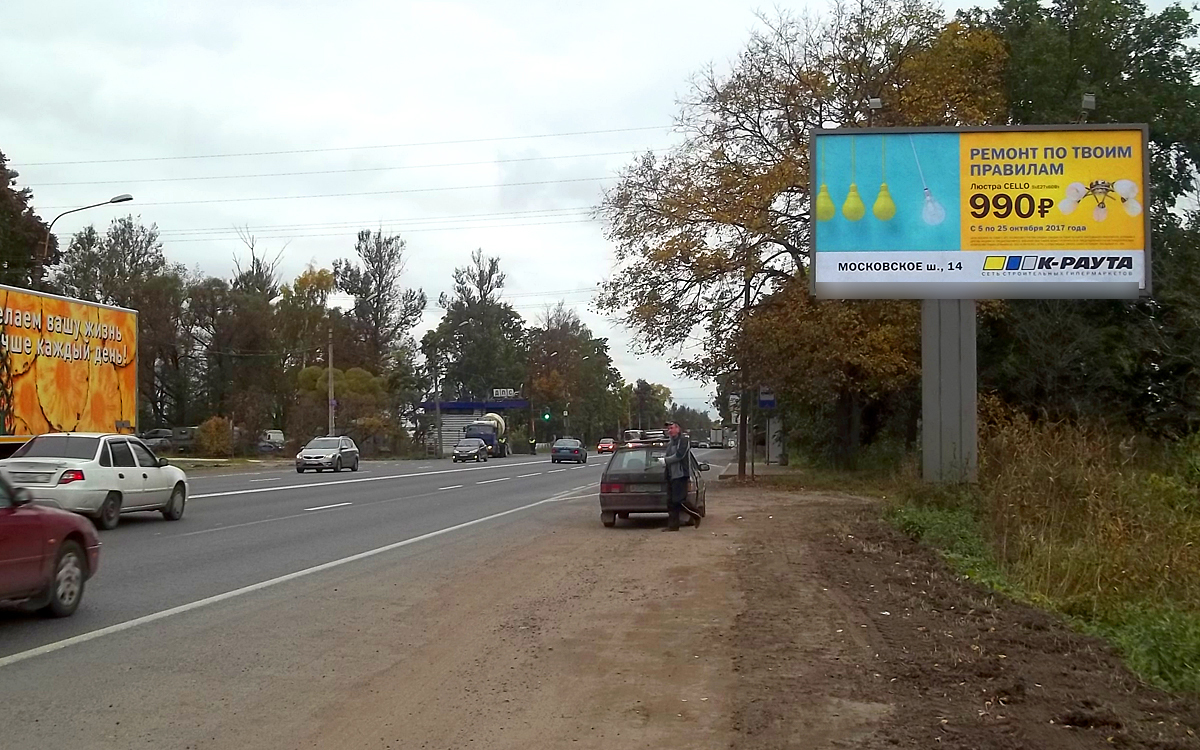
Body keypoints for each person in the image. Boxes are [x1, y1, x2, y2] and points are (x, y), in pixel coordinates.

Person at [662, 421, 701, 532]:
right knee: (671, 502)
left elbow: (679, 455)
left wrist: (665, 460)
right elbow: (668, 456)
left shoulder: (683, 441)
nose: (670, 430)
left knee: (679, 500)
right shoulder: (670, 443)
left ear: (678, 429)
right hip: (670, 475)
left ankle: (696, 514)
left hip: (680, 474)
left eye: (672, 428)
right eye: (668, 429)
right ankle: (673, 526)